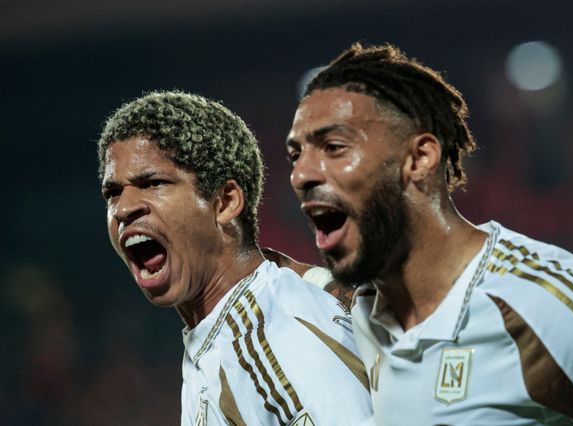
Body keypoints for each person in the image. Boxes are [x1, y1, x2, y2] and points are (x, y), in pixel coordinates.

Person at [286, 43, 573, 425]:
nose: (300, 175)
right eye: (296, 155)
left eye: (334, 147)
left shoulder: (543, 303)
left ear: (419, 158)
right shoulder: (362, 318)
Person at [98, 91, 372, 425]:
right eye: (113, 192)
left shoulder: (271, 345)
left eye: (153, 183)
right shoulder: (227, 333)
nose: (123, 208)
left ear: (225, 203)